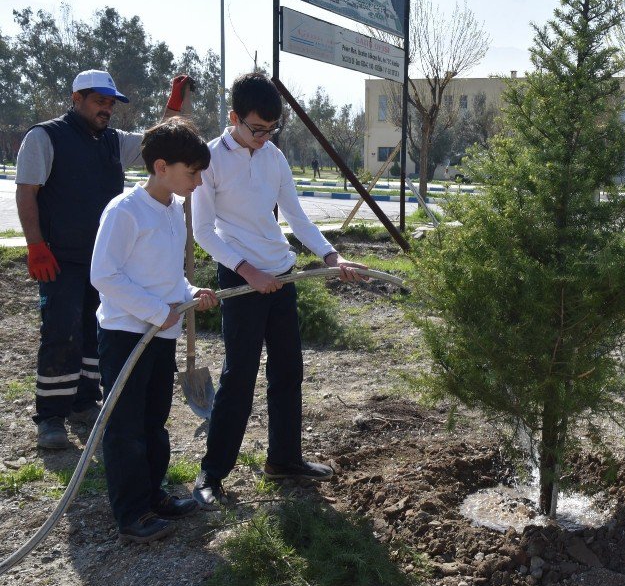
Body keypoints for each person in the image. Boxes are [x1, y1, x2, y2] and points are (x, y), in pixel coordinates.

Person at [190, 72, 367, 509]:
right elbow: (202, 230)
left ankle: (284, 459)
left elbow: (297, 217)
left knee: (288, 371)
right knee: (239, 377)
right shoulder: (209, 160)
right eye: (256, 128)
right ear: (233, 117)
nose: (264, 137)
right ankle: (211, 475)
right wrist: (247, 272)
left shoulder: (273, 157)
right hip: (241, 279)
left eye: (272, 129)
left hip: (282, 275)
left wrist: (332, 258)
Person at [15, 70, 194, 449]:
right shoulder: (45, 137)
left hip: (107, 258)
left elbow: (158, 143)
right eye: (99, 101)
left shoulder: (114, 142)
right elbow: (27, 192)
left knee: (94, 335)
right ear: (76, 98)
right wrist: (35, 245)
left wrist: (173, 106)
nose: (106, 109)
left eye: (111, 103)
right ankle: (50, 416)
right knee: (61, 332)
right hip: (59, 258)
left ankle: (85, 403)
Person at [90, 118, 218, 543]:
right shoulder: (125, 211)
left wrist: (189, 290)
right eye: (192, 172)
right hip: (127, 335)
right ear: (161, 166)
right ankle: (131, 514)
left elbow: (167, 277)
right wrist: (153, 310)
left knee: (153, 421)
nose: (198, 182)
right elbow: (104, 275)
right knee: (125, 426)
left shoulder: (171, 212)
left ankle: (153, 495)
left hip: (161, 335)